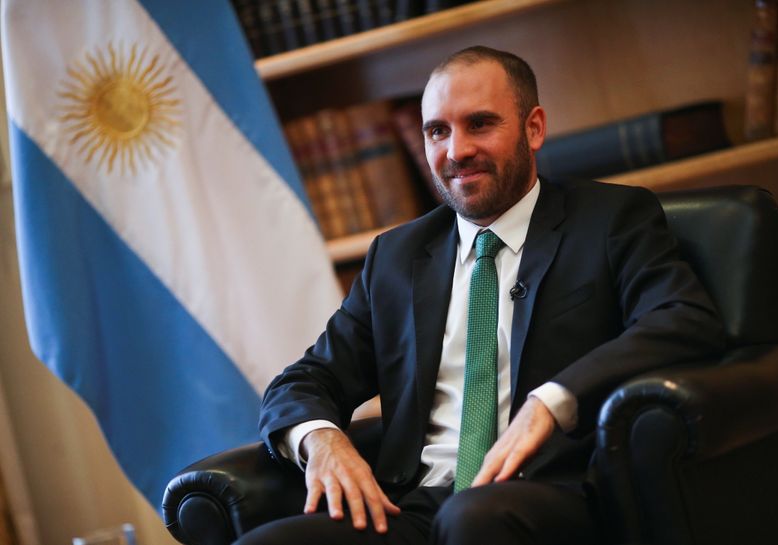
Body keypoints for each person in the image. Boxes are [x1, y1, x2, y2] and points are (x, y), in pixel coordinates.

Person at [238, 46, 725, 545]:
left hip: (551, 492)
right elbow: (306, 379)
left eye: (480, 124)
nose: (456, 151)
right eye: (437, 131)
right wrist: (320, 439)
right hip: (413, 505)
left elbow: (681, 316)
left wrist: (550, 402)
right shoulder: (398, 257)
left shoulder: (610, 220)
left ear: (533, 128)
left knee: (472, 520)